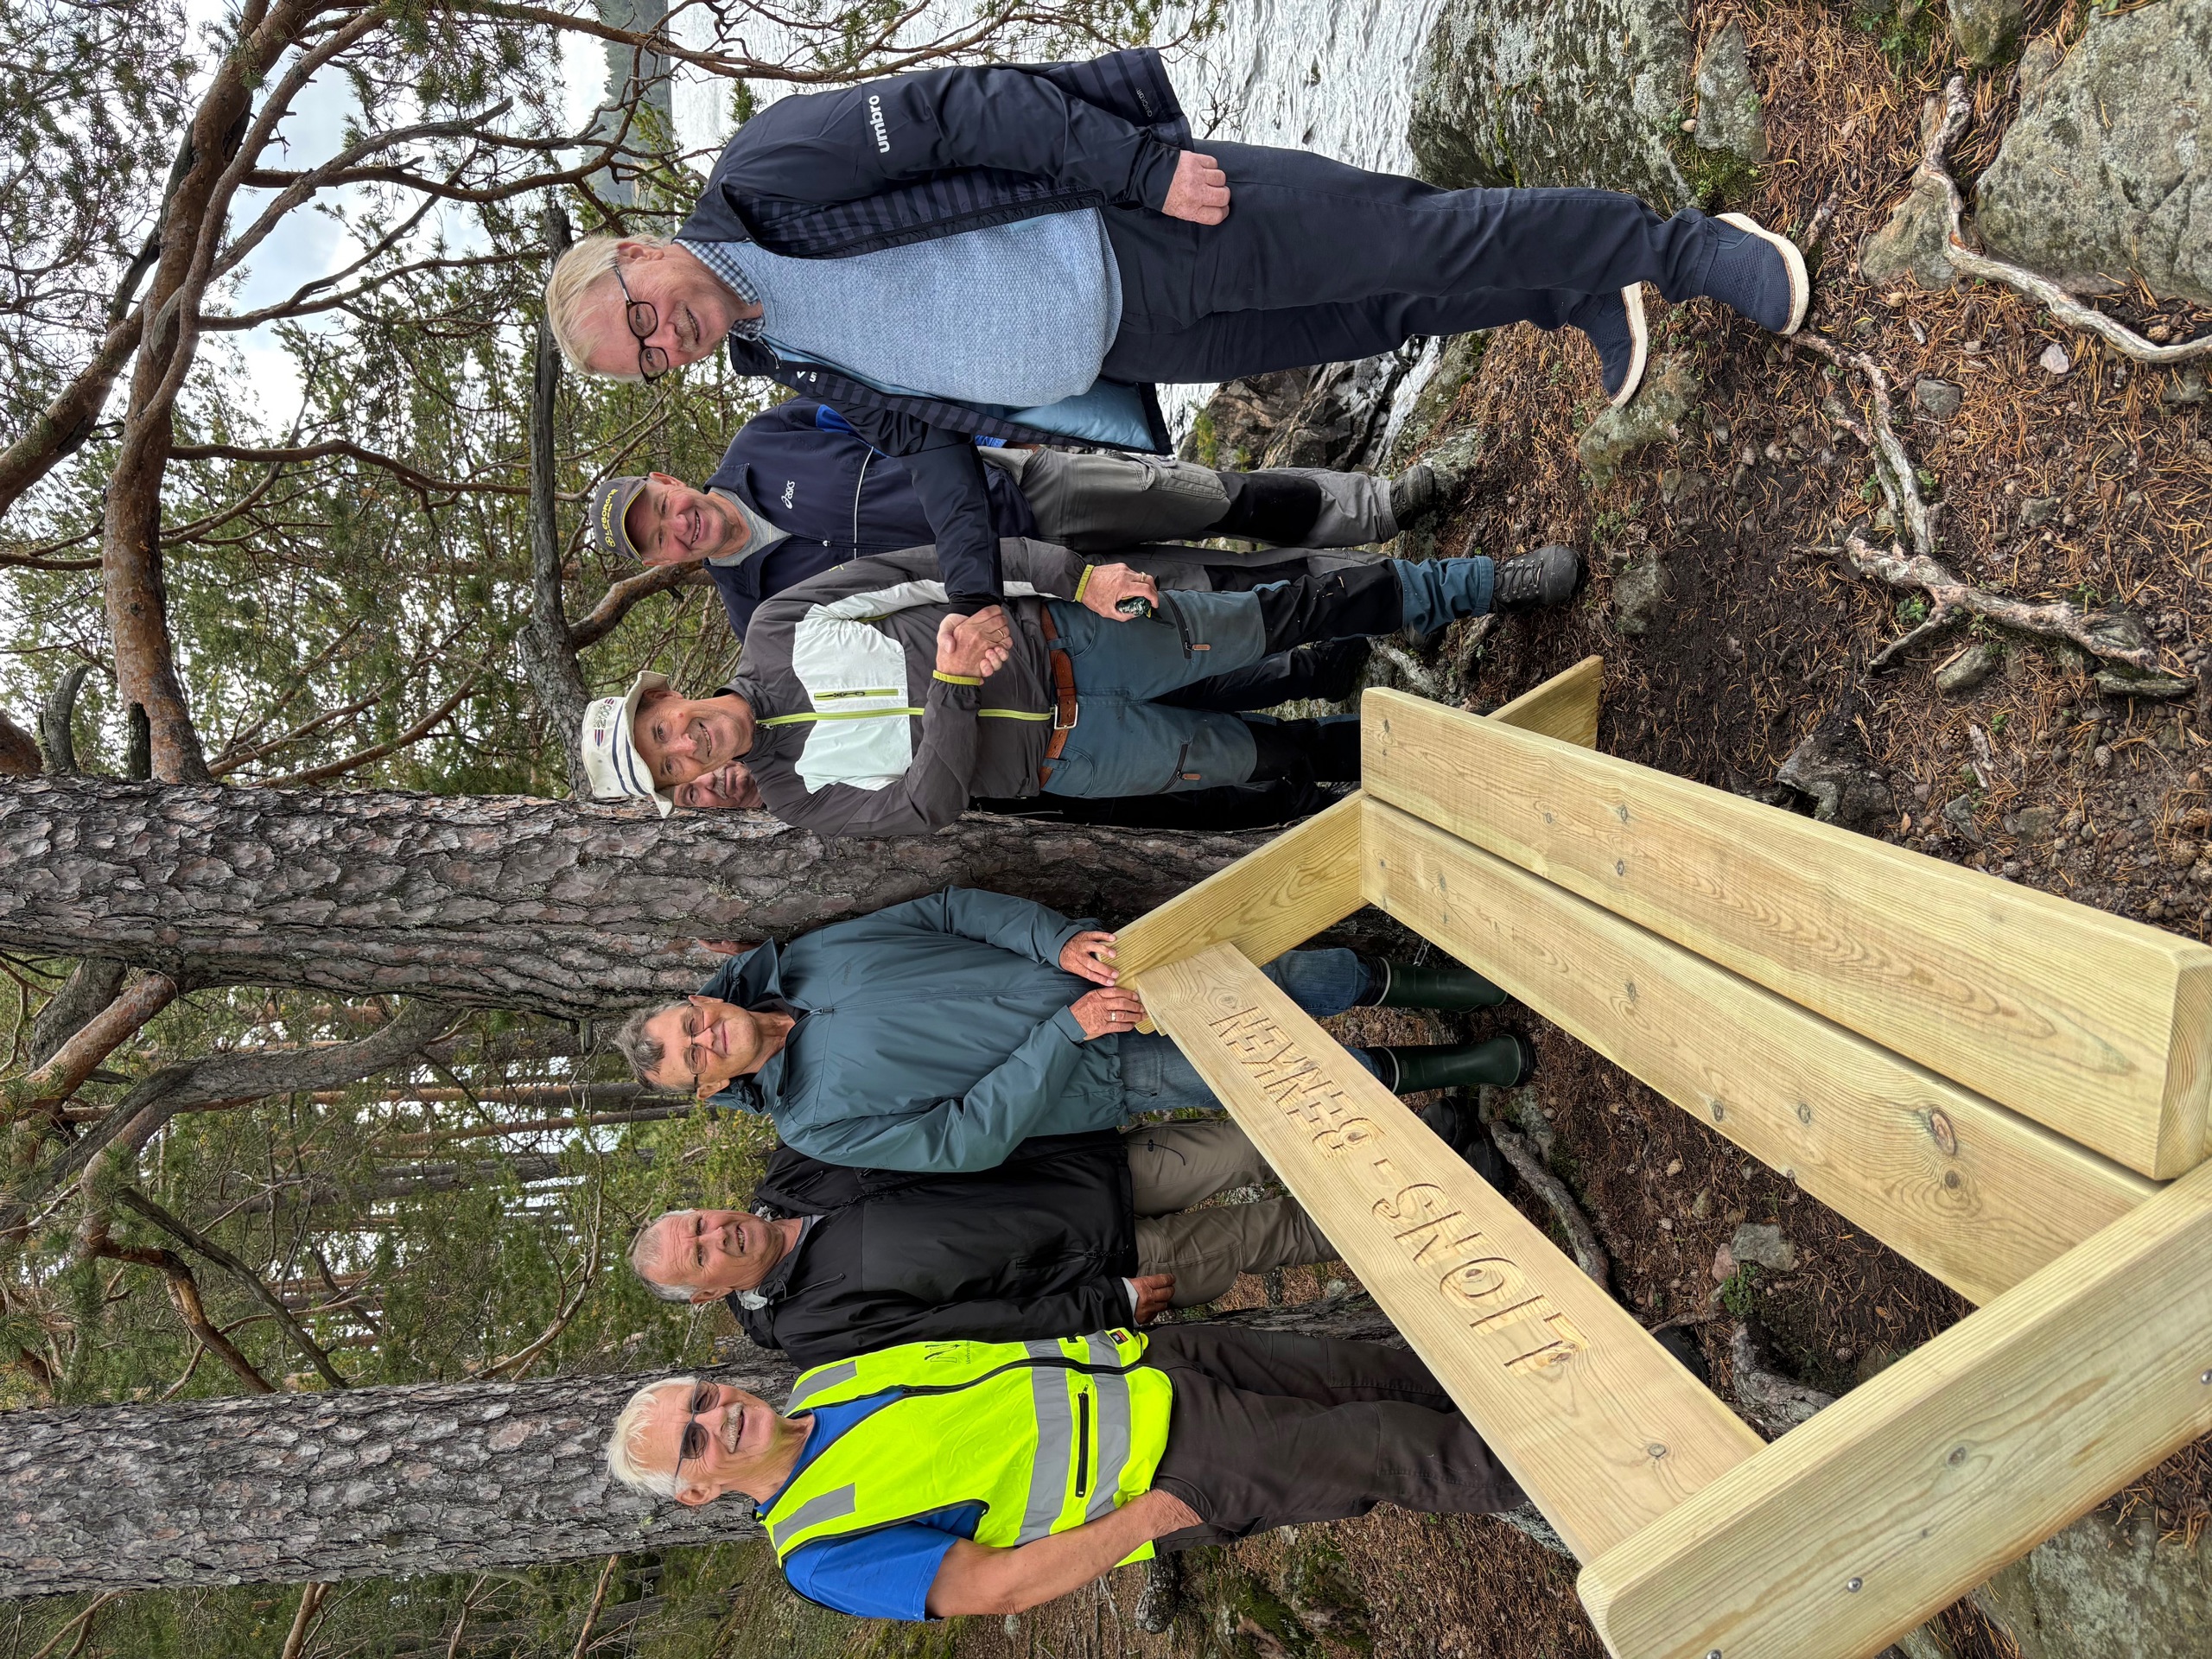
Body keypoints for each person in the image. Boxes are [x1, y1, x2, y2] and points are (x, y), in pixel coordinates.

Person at [543, 47, 1807, 615]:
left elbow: (960, 111)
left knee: (1406, 236)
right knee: (1377, 311)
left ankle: (1686, 247)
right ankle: (1568, 289)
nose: (666, 342)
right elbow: (923, 440)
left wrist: (1137, 168)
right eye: (644, 359)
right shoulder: (774, 355)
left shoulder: (765, 182)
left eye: (641, 317)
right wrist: (977, 593)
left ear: (641, 252)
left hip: (1132, 231)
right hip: (1129, 348)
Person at [575, 536, 1580, 833]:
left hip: (1075, 640)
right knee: (1274, 757)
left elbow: (939, 569)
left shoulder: (778, 625)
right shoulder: (797, 798)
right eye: (669, 768)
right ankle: (1471, 751)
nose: (685, 747)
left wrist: (1078, 578)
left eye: (662, 731)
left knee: (1281, 613)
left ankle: (1482, 584)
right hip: (1079, 758)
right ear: (682, 786)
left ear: (664, 700)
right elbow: (928, 806)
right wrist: (951, 688)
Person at [604, 1323, 1525, 1618]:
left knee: (1388, 1373)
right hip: (1173, 1468)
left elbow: (989, 1362)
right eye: (693, 1442)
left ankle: (1579, 1375)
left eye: (702, 1398)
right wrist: (1155, 1517)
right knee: (1398, 1448)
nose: (716, 1418)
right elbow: (997, 1587)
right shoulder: (815, 1552)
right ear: (697, 1493)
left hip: (1159, 1362)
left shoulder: (824, 1381)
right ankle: (1602, 1461)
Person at [607, 889, 1533, 1173]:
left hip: (1102, 972)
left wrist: (1056, 941)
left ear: (700, 999)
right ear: (707, 1089)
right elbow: (961, 1141)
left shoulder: (809, 957)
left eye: (691, 1023)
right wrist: (1067, 1037)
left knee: (1292, 978)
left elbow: (946, 912)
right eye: (692, 1059)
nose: (705, 1039)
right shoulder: (812, 1124)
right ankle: (1461, 1063)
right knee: (1281, 1074)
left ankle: (1446, 986)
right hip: (1103, 1072)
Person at [591, 398, 1434, 640]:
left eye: (659, 507)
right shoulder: (761, 615)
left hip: (1033, 486)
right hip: (1037, 585)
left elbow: (892, 411)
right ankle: (1392, 582)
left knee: (1216, 497)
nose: (675, 524)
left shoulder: (764, 440)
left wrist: (1005, 434)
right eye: (655, 539)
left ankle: (1382, 505)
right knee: (1213, 583)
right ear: (660, 563)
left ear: (668, 480)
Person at [627, 1121, 1344, 1366]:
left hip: (1087, 1167)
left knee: (1255, 1142)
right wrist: (1103, 1306)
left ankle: (1396, 1127)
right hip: (1104, 1263)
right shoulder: (808, 1327)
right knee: (1272, 1233)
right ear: (709, 1295)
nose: (717, 1234)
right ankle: (1402, 1198)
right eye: (702, 1255)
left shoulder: (793, 1169)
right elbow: (967, 1328)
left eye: (699, 1223)